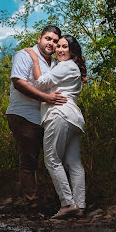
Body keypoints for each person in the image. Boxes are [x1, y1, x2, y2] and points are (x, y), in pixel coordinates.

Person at [6, 26, 67, 214]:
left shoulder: (55, 63)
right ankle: (32, 205)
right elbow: (18, 82)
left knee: (55, 158)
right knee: (29, 160)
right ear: (39, 38)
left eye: (55, 41)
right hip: (24, 115)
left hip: (46, 117)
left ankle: (58, 202)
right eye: (48, 39)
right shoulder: (25, 55)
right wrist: (46, 98)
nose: (52, 43)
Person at [25, 34, 87, 219]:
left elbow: (41, 83)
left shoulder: (66, 65)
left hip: (59, 114)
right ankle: (80, 205)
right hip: (74, 118)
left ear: (72, 50)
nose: (60, 50)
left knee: (52, 159)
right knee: (74, 164)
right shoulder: (73, 67)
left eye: (64, 47)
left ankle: (68, 204)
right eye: (58, 46)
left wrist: (36, 60)